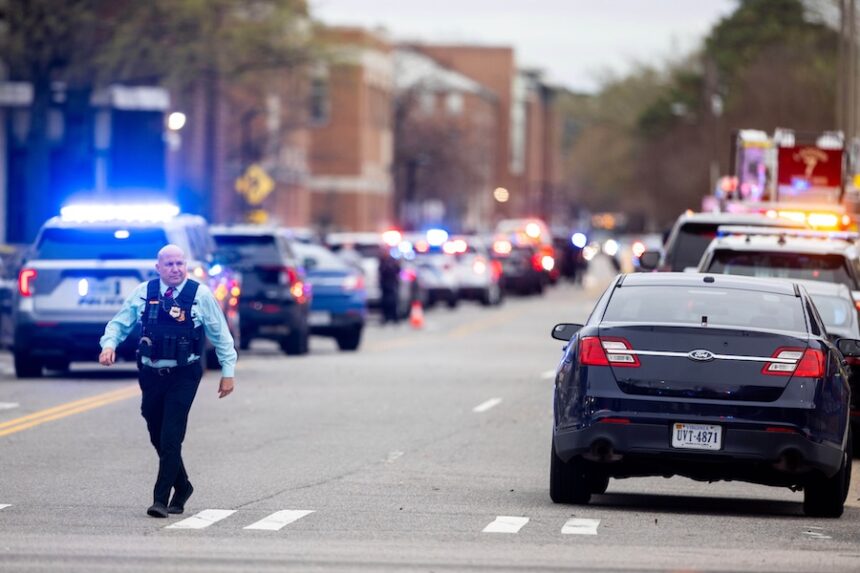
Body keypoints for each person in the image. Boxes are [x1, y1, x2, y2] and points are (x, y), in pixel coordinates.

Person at [98, 244, 237, 518]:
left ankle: (160, 499)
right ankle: (183, 486)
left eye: (179, 264)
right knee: (156, 431)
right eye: (169, 264)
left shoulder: (200, 295)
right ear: (158, 268)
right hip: (151, 373)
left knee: (171, 435)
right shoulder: (144, 293)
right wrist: (109, 345)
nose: (175, 269)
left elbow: (221, 334)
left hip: (184, 373)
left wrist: (227, 371)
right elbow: (119, 323)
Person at [378, 247, 401, 324]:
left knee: (393, 301)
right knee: (385, 302)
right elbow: (380, 271)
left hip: (392, 283)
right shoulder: (382, 260)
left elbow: (398, 270)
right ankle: (386, 317)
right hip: (385, 284)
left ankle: (394, 317)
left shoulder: (392, 261)